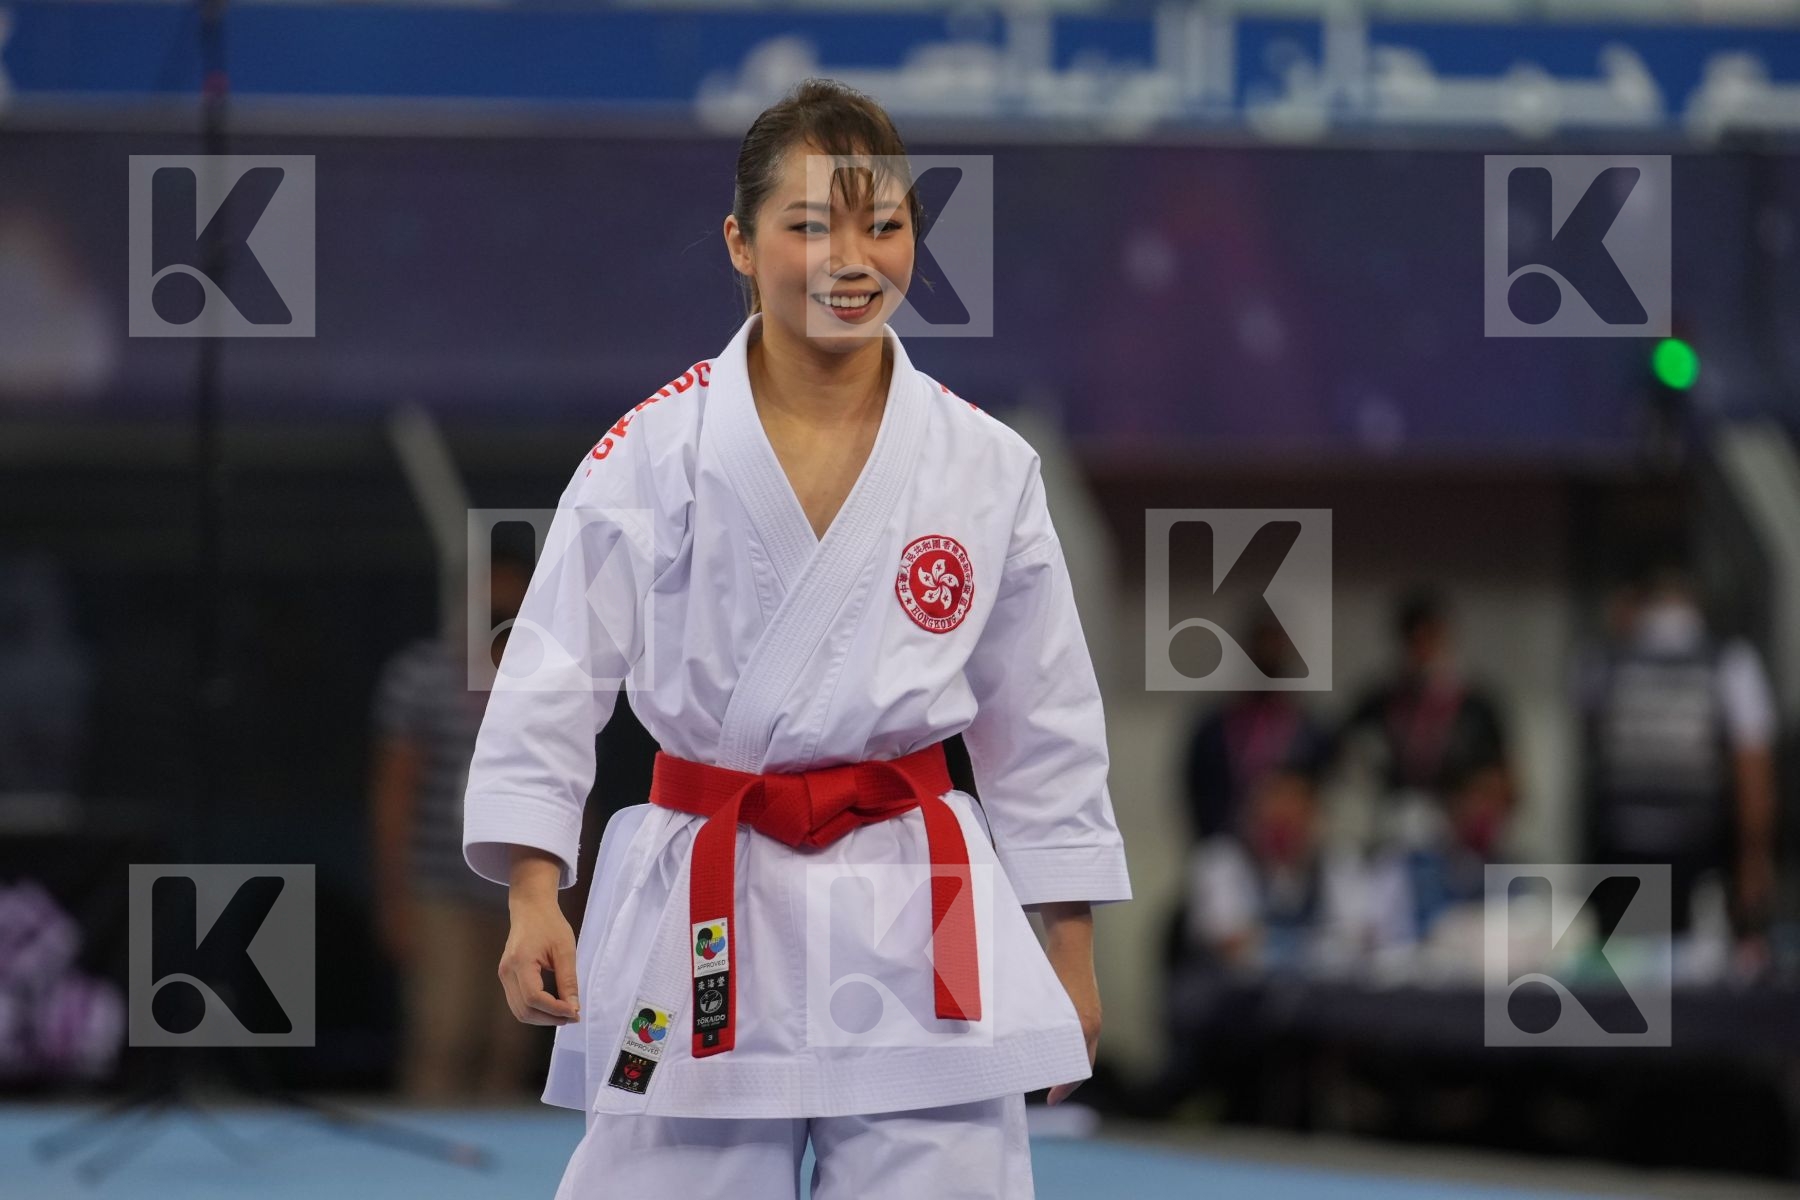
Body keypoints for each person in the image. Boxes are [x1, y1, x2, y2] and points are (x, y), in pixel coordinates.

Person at [461, 78, 1131, 1199]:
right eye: (811, 225)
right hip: (704, 888)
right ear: (740, 241)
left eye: (884, 224)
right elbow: (551, 677)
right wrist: (535, 890)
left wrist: (1068, 945)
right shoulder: (651, 451)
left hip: (924, 901)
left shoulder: (983, 464)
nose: (852, 258)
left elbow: (1045, 718)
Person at [370, 545, 540, 1101]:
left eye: (514, 592)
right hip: (439, 888)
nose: (502, 602)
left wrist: (570, 896)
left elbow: (573, 793)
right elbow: (395, 790)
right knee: (444, 1032)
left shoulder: (548, 683)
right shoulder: (420, 677)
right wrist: (394, 894)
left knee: (510, 1042)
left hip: (522, 888)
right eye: (492, 592)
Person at [1579, 564, 1778, 955]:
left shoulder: (1603, 663)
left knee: (1634, 994)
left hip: (1625, 858)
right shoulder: (1729, 663)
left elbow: (1596, 744)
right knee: (1698, 993)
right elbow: (1752, 771)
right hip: (1698, 860)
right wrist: (1754, 860)